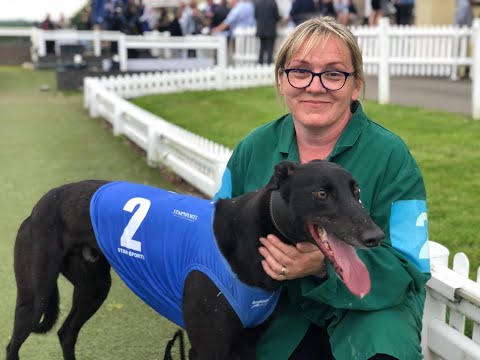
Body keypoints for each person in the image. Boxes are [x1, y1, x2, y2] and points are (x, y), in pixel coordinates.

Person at [214, 16, 430, 360]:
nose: (314, 86)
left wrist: (321, 265)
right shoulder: (252, 149)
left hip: (369, 309)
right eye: (300, 71)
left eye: (333, 74)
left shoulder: (391, 156)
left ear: (355, 85)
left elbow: (409, 265)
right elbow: (217, 237)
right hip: (276, 309)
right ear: (281, 80)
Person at [255, 0, 281, 64]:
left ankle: (260, 64)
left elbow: (255, 15)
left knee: (261, 48)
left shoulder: (258, 3)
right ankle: (269, 64)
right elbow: (276, 16)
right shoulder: (273, 2)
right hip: (270, 29)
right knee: (270, 49)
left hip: (261, 29)